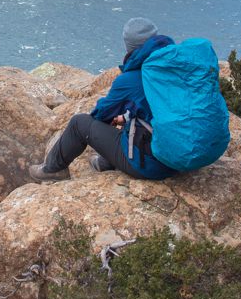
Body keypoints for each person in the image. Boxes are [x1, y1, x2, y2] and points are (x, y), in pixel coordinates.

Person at [29, 17, 179, 181]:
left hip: (152, 166)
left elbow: (102, 114)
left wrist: (116, 113)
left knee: (79, 124)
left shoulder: (131, 79)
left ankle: (51, 170)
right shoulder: (177, 67)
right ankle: (106, 163)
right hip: (181, 156)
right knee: (130, 117)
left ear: (129, 46)